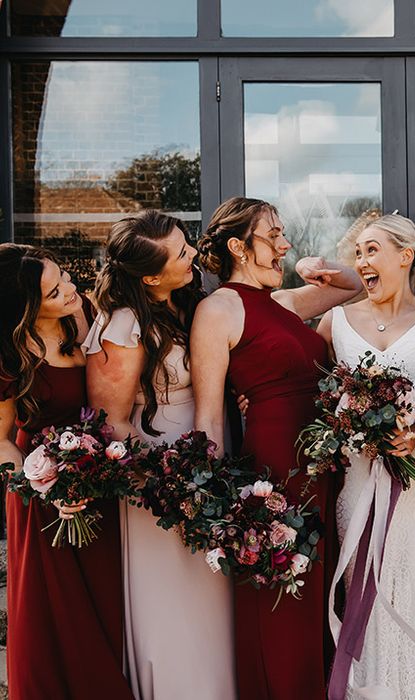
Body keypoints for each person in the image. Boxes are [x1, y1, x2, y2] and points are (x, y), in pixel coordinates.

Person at [192, 197, 362, 700]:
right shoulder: (217, 309)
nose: (286, 246)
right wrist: (220, 502)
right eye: (275, 236)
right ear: (238, 246)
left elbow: (351, 285)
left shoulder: (284, 302)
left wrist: (316, 268)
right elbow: (207, 415)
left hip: (320, 465)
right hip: (272, 469)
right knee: (278, 597)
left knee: (319, 592)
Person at [83, 210, 236, 700]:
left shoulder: (187, 302)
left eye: (186, 243)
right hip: (161, 474)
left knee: (214, 587)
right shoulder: (123, 326)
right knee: (175, 595)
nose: (193, 253)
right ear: (149, 275)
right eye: (181, 253)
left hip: (207, 451)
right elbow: (111, 422)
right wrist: (166, 486)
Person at [316, 213, 415, 699]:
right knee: (368, 597)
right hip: (360, 479)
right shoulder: (334, 320)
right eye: (357, 253)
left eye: (372, 250)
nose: (362, 261)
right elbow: (307, 392)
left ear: (406, 256)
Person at [0, 244, 132, 700]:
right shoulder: (9, 354)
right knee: (54, 615)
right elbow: (0, 440)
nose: (72, 290)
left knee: (104, 602)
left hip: (101, 479)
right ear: (27, 309)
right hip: (42, 495)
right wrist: (43, 488)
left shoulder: (91, 313)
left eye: (66, 277)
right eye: (55, 292)